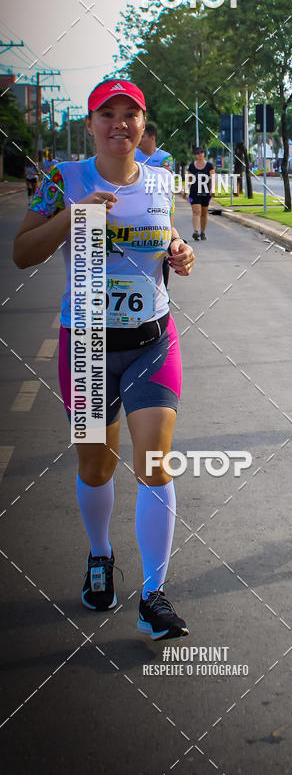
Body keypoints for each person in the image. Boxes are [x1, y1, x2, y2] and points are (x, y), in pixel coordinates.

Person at [13, 78, 195, 640]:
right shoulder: (61, 180)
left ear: (143, 124)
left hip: (153, 339)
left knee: (154, 464)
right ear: (91, 123)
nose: (120, 123)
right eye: (107, 114)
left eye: (130, 114)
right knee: (96, 465)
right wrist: (76, 215)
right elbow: (22, 254)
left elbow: (162, 233)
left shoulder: (163, 179)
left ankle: (154, 594)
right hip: (88, 345)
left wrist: (178, 251)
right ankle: (99, 554)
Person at [135, 122, 175, 287]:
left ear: (152, 137)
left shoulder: (165, 157)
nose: (139, 140)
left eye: (143, 136)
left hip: (159, 207)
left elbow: (167, 183)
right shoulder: (133, 155)